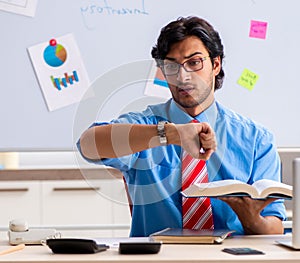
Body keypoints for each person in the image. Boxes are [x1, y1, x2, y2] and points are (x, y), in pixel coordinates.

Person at [77, 16, 286, 237]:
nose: (182, 76)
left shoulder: (256, 139)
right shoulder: (145, 126)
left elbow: (275, 228)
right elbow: (88, 145)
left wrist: (249, 217)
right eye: (171, 66)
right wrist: (170, 134)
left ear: (216, 64)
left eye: (194, 62)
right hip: (158, 259)